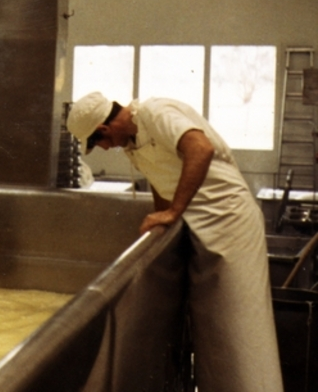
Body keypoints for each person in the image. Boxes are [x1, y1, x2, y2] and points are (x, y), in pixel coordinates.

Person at [67, 92, 283, 392]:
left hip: (230, 223)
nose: (104, 148)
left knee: (241, 334)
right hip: (199, 229)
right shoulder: (131, 142)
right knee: (215, 336)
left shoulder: (155, 113)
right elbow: (162, 179)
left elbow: (200, 149)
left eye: (98, 143)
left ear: (103, 130)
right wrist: (161, 219)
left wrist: (173, 211)